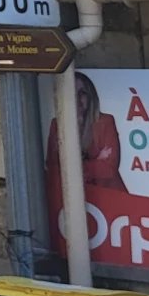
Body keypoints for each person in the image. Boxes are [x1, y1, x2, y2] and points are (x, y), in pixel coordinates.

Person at [46, 71, 127, 241]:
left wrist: (70, 167)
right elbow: (53, 169)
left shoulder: (104, 122)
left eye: (82, 93)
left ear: (91, 97)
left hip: (109, 200)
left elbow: (108, 169)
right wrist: (95, 162)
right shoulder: (56, 125)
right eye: (71, 93)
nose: (76, 99)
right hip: (70, 203)